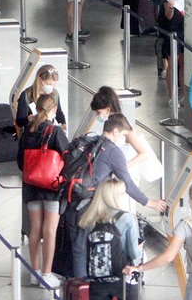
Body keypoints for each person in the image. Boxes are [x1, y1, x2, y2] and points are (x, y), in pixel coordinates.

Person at [65, 113, 167, 278]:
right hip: (90, 206)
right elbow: (126, 182)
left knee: (77, 248)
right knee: (89, 246)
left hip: (71, 200)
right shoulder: (112, 150)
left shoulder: (91, 142)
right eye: (123, 135)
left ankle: (78, 292)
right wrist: (149, 202)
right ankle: (88, 289)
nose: (123, 139)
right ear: (115, 132)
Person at [17, 93, 69, 288]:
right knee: (50, 230)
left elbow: (20, 162)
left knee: (35, 229)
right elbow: (68, 157)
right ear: (53, 110)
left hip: (31, 187)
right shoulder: (55, 132)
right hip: (52, 187)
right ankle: (47, 274)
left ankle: (35, 272)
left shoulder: (27, 131)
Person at [79, 177, 142, 300]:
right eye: (123, 193)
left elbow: (84, 250)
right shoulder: (127, 218)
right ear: (115, 197)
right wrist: (141, 253)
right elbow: (133, 253)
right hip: (124, 277)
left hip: (98, 280)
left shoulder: (89, 218)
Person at [157, 0, 185, 106]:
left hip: (185, 28)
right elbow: (168, 15)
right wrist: (171, 7)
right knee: (173, 61)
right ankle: (172, 96)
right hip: (172, 29)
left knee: (183, 63)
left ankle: (183, 95)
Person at [15, 64, 66, 133]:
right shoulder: (26, 95)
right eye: (49, 84)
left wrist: (63, 124)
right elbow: (19, 122)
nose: (52, 87)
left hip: (48, 133)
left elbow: (59, 113)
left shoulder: (54, 94)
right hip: (31, 135)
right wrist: (29, 119)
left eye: (54, 84)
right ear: (40, 79)